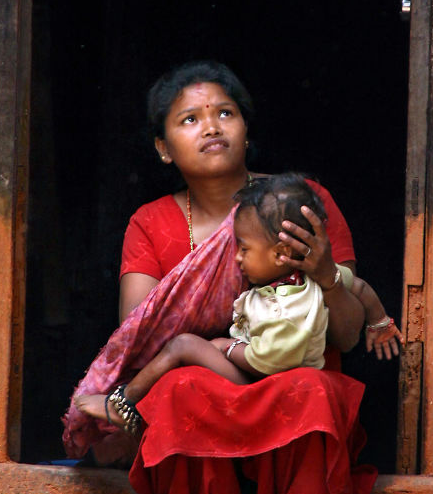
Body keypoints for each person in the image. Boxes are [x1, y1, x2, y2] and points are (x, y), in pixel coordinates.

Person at [62, 61, 403, 494]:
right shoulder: (151, 223)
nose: (211, 126)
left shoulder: (302, 203)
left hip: (291, 380)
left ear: (247, 129)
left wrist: (322, 273)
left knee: (316, 394)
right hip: (213, 379)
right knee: (179, 390)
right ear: (164, 149)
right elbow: (141, 336)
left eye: (225, 112)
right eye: (189, 119)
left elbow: (345, 333)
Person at [72, 173, 400, 435]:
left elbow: (265, 358)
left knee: (183, 345)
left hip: (262, 380)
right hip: (278, 376)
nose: (237, 259)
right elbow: (362, 288)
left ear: (280, 254)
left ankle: (124, 402)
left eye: (243, 248)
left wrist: (225, 347)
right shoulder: (322, 277)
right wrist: (380, 321)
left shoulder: (322, 276)